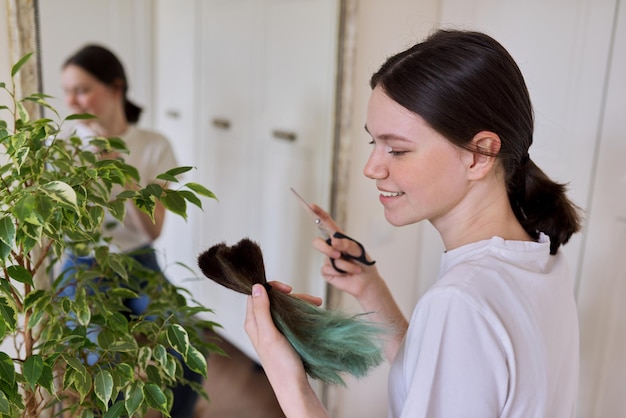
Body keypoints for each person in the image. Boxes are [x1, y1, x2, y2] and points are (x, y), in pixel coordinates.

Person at [244, 29, 582, 418]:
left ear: (479, 155)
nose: (372, 168)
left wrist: (287, 379)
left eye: (398, 150)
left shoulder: (460, 301)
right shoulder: (540, 257)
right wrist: (370, 289)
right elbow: (447, 378)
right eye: (374, 143)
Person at [58, 44, 200, 417]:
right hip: (84, 263)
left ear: (116, 88)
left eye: (82, 89)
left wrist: (123, 173)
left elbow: (153, 231)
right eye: (67, 90)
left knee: (185, 343)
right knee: (102, 355)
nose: (71, 100)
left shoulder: (153, 146)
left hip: (139, 260)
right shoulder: (64, 147)